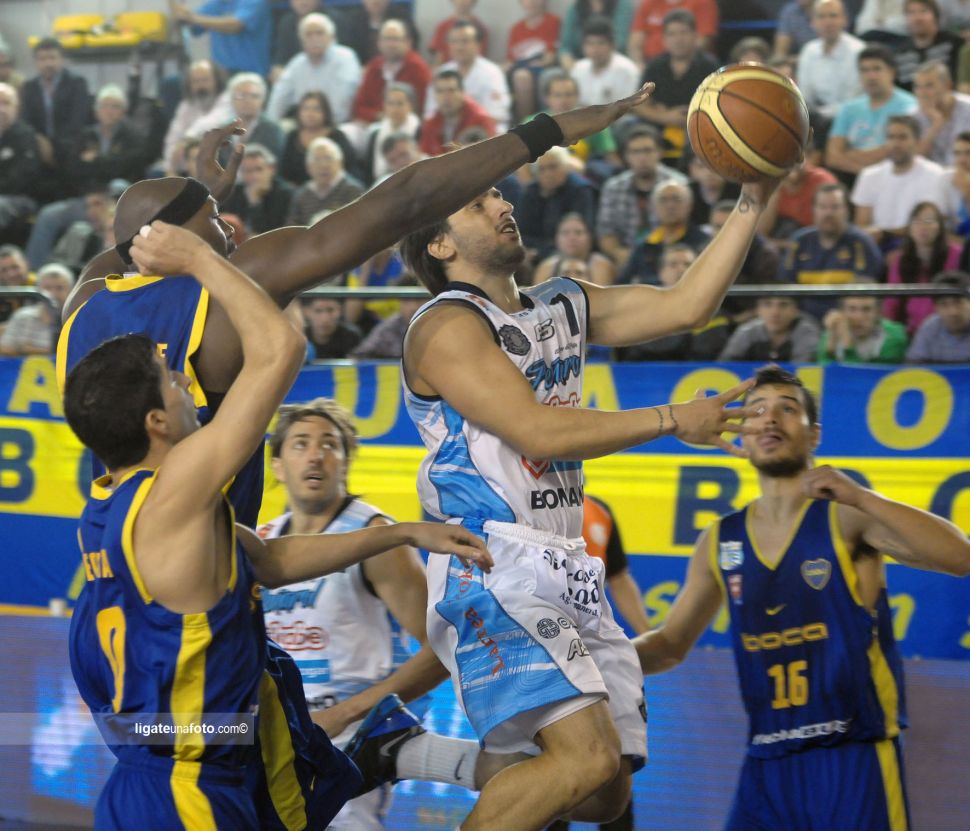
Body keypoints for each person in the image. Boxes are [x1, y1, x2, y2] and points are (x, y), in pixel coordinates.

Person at [63, 219, 491, 830]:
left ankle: (360, 755)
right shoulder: (175, 493)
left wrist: (401, 533)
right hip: (185, 792)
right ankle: (369, 754)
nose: (186, 383)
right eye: (173, 380)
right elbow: (281, 349)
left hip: (178, 764)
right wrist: (198, 257)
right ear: (156, 422)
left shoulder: (111, 508)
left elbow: (268, 560)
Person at [396, 165, 787, 828]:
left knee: (605, 791)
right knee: (584, 758)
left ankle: (410, 753)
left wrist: (754, 196)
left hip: (566, 563)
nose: (501, 203)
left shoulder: (561, 304)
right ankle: (406, 754)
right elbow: (538, 430)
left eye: (497, 192)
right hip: (492, 560)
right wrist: (672, 418)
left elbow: (687, 307)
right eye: (477, 201)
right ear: (440, 244)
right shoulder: (444, 326)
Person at [635, 364, 970, 830]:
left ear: (814, 435)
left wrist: (863, 497)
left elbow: (960, 556)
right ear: (740, 431)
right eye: (757, 410)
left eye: (787, 409)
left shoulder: (846, 516)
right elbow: (670, 644)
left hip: (852, 755)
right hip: (767, 762)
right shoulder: (719, 540)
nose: (770, 418)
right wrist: (596, 661)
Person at [261, 397, 442, 827]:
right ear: (278, 466)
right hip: (279, 739)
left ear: (345, 462)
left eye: (330, 444)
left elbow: (442, 650)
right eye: (301, 443)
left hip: (349, 740)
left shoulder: (376, 537)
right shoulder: (264, 542)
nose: (316, 455)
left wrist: (344, 714)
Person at [546, 493, 650, 831]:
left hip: (597, 655)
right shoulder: (516, 501)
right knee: (550, 766)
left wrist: (647, 637)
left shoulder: (600, 511)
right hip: (545, 653)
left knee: (617, 769)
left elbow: (618, 578)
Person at [778, 182, 884, 320]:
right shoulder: (799, 242)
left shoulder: (862, 244)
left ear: (846, 210)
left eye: (835, 207)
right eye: (822, 207)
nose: (828, 213)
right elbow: (785, 287)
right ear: (813, 210)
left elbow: (865, 294)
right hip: (802, 321)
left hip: (849, 320)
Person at [596, 125, 687, 268]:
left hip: (669, 255)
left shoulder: (679, 185)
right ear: (626, 156)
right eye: (635, 152)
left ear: (660, 152)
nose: (642, 157)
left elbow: (685, 228)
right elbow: (606, 233)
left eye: (647, 150)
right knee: (599, 262)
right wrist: (624, 256)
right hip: (626, 257)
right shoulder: (613, 187)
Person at [636, 10, 718, 162]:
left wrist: (692, 118)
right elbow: (639, 105)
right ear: (664, 39)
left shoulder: (710, 67)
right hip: (659, 130)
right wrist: (666, 117)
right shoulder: (655, 66)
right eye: (672, 34)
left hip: (700, 129)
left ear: (695, 36)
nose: (678, 39)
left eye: (683, 32)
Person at [826, 45, 917, 177]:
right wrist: (867, 175)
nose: (871, 76)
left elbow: (896, 150)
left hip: (895, 174)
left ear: (892, 72)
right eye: (864, 70)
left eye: (877, 69)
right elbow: (832, 157)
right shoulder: (848, 108)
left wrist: (850, 154)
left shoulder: (908, 106)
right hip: (853, 175)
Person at [851, 114, 947, 237]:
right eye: (891, 137)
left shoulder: (935, 175)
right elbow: (862, 225)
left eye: (903, 137)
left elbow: (932, 223)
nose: (896, 144)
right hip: (877, 244)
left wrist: (886, 234)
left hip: (918, 243)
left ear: (917, 141)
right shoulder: (869, 176)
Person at [267, 13, 362, 126]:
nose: (314, 39)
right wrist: (270, 126)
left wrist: (318, 126)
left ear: (332, 37)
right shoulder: (297, 63)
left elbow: (341, 105)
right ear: (302, 41)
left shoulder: (345, 58)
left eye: (320, 33)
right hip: (304, 123)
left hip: (338, 124)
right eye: (308, 35)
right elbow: (279, 98)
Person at [885, 200, 961, 332]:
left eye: (929, 221)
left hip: (948, 327)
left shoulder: (956, 255)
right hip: (908, 329)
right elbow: (892, 301)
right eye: (917, 221)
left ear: (940, 227)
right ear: (909, 228)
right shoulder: (900, 259)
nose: (923, 227)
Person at [618, 180, 711, 285]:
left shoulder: (703, 243)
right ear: (653, 207)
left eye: (677, 199)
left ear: (690, 205)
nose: (670, 205)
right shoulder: (645, 246)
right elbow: (623, 283)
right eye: (663, 200)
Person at [517, 146, 596, 262]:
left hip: (574, 254)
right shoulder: (531, 192)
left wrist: (540, 252)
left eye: (553, 167)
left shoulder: (581, 190)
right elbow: (522, 233)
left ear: (566, 167)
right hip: (538, 252)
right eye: (542, 169)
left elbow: (581, 234)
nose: (548, 174)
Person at [432, 21, 511, 132]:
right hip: (449, 131)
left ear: (478, 45)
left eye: (465, 41)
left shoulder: (492, 73)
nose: (459, 47)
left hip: (485, 131)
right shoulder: (441, 72)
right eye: (454, 41)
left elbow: (496, 115)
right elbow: (430, 114)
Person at [796, 0, 865, 125]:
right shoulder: (808, 51)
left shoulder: (858, 51)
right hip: (816, 121)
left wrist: (821, 114)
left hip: (852, 119)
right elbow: (805, 96)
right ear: (812, 22)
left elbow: (854, 100)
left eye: (833, 16)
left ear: (845, 20)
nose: (827, 22)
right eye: (821, 17)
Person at [352, 20, 431, 125]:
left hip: (407, 124)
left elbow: (423, 107)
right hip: (374, 121)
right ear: (379, 43)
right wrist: (378, 116)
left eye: (395, 39)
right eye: (386, 39)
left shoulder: (418, 68)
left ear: (408, 43)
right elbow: (358, 106)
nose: (390, 44)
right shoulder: (374, 66)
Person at [169, 0, 272, 78]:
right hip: (220, 74)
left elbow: (235, 25)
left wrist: (193, 18)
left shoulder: (255, 2)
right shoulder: (217, 3)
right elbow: (187, 22)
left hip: (249, 74)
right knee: (172, 84)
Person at [286, 137, 365, 227]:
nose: (323, 165)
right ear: (308, 167)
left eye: (328, 158)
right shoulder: (302, 195)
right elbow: (291, 228)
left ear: (340, 162)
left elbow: (361, 225)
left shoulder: (352, 190)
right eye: (317, 160)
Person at [419, 69, 496, 157]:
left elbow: (492, 154)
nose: (445, 97)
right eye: (440, 91)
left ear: (463, 93)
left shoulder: (481, 120)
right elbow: (424, 157)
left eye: (451, 90)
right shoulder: (430, 125)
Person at [0, 262, 73, 355]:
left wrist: (30, 349)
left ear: (71, 291)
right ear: (38, 289)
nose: (53, 293)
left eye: (59, 288)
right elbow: (4, 350)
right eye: (47, 288)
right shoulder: (22, 316)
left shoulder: (76, 319)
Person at [719, 297, 821, 363]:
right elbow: (725, 364)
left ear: (796, 310)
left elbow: (804, 368)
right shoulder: (747, 331)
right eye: (767, 304)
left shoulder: (807, 332)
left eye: (783, 305)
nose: (775, 312)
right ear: (757, 310)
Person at [222, 144, 294, 234]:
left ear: (271, 169)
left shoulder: (285, 194)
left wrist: (255, 203)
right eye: (248, 171)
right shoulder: (234, 192)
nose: (254, 176)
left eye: (259, 169)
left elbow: (269, 233)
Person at [570, 17, 641, 109]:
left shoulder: (627, 70)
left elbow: (629, 107)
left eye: (601, 43)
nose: (595, 49)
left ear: (612, 45)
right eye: (590, 43)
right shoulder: (578, 69)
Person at [0, 82, 41, 241]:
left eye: (6, 103)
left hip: (21, 198)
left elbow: (21, 178)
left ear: (16, 108)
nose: (2, 109)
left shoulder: (25, 136)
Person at [817, 293, 909, 362]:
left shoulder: (894, 336)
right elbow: (823, 375)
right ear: (842, 311)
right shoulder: (832, 332)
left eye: (866, 309)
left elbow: (866, 377)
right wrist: (830, 347)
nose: (859, 317)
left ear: (878, 313)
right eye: (852, 309)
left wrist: (848, 346)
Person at [894, 0, 963, 91]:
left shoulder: (954, 44)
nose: (917, 18)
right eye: (911, 13)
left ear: (935, 16)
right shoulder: (899, 54)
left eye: (923, 11)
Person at [533, 212, 616, 286]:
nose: (572, 238)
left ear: (590, 238)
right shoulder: (546, 268)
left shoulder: (601, 266)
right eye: (565, 233)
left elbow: (602, 297)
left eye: (578, 232)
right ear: (556, 238)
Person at [912, 60, 970, 164]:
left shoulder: (967, 108)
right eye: (918, 87)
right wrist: (936, 125)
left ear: (947, 86)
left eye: (929, 86)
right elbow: (913, 160)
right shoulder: (915, 117)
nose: (922, 93)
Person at [628, 0, 718, 65]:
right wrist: (639, 65)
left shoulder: (703, 2)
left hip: (691, 63)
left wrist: (676, 58)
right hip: (650, 64)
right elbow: (635, 42)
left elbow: (702, 41)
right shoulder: (648, 3)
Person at [906, 268, 970, 360]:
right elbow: (915, 364)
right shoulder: (929, 328)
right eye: (944, 304)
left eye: (958, 302)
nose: (953, 312)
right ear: (936, 308)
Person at [559, 0, 635, 71]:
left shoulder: (622, 5)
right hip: (578, 62)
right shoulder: (576, 7)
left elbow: (620, 42)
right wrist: (573, 68)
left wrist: (597, 59)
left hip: (611, 63)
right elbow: (565, 46)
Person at [429, 0, 489, 66]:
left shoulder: (480, 28)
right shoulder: (443, 27)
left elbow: (479, 57)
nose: (462, 1)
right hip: (447, 70)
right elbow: (438, 59)